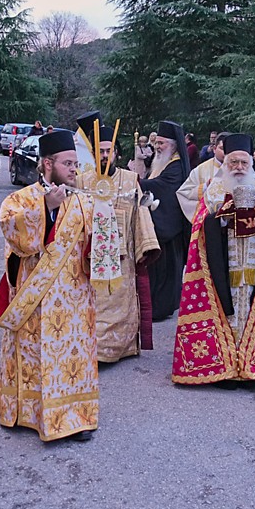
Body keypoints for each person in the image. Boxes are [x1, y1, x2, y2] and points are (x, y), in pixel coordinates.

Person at [0, 130, 99, 441]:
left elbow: (96, 245)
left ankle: (75, 416)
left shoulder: (82, 201)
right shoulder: (22, 199)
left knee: (73, 359)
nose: (73, 170)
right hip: (37, 297)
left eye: (76, 165)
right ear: (47, 163)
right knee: (35, 355)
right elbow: (15, 234)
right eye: (68, 164)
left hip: (76, 299)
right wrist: (46, 208)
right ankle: (29, 413)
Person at [172, 133, 255, 387]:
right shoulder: (214, 189)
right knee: (225, 307)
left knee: (254, 306)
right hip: (222, 263)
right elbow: (199, 223)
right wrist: (219, 217)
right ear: (225, 163)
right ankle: (224, 367)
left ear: (250, 163)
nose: (238, 168)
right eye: (233, 163)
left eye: (243, 163)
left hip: (254, 264)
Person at [75, 112, 160, 362]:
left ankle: (119, 348)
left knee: (118, 303)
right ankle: (93, 350)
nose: (104, 156)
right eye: (100, 151)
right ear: (93, 154)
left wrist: (146, 248)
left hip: (123, 260)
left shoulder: (131, 180)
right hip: (90, 259)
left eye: (108, 151)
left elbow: (141, 214)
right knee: (93, 303)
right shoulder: (81, 182)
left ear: (117, 154)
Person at [140, 120, 190, 321]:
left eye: (162, 143)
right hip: (161, 223)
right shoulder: (162, 161)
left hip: (169, 227)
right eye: (157, 142)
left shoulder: (176, 165)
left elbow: (163, 187)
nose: (157, 147)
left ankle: (162, 307)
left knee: (166, 270)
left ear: (174, 145)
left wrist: (134, 181)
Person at [177, 131, 230, 223]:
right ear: (214, 149)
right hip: (209, 223)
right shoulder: (201, 170)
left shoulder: (241, 168)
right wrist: (205, 186)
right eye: (222, 148)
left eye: (229, 149)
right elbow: (183, 192)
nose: (226, 153)